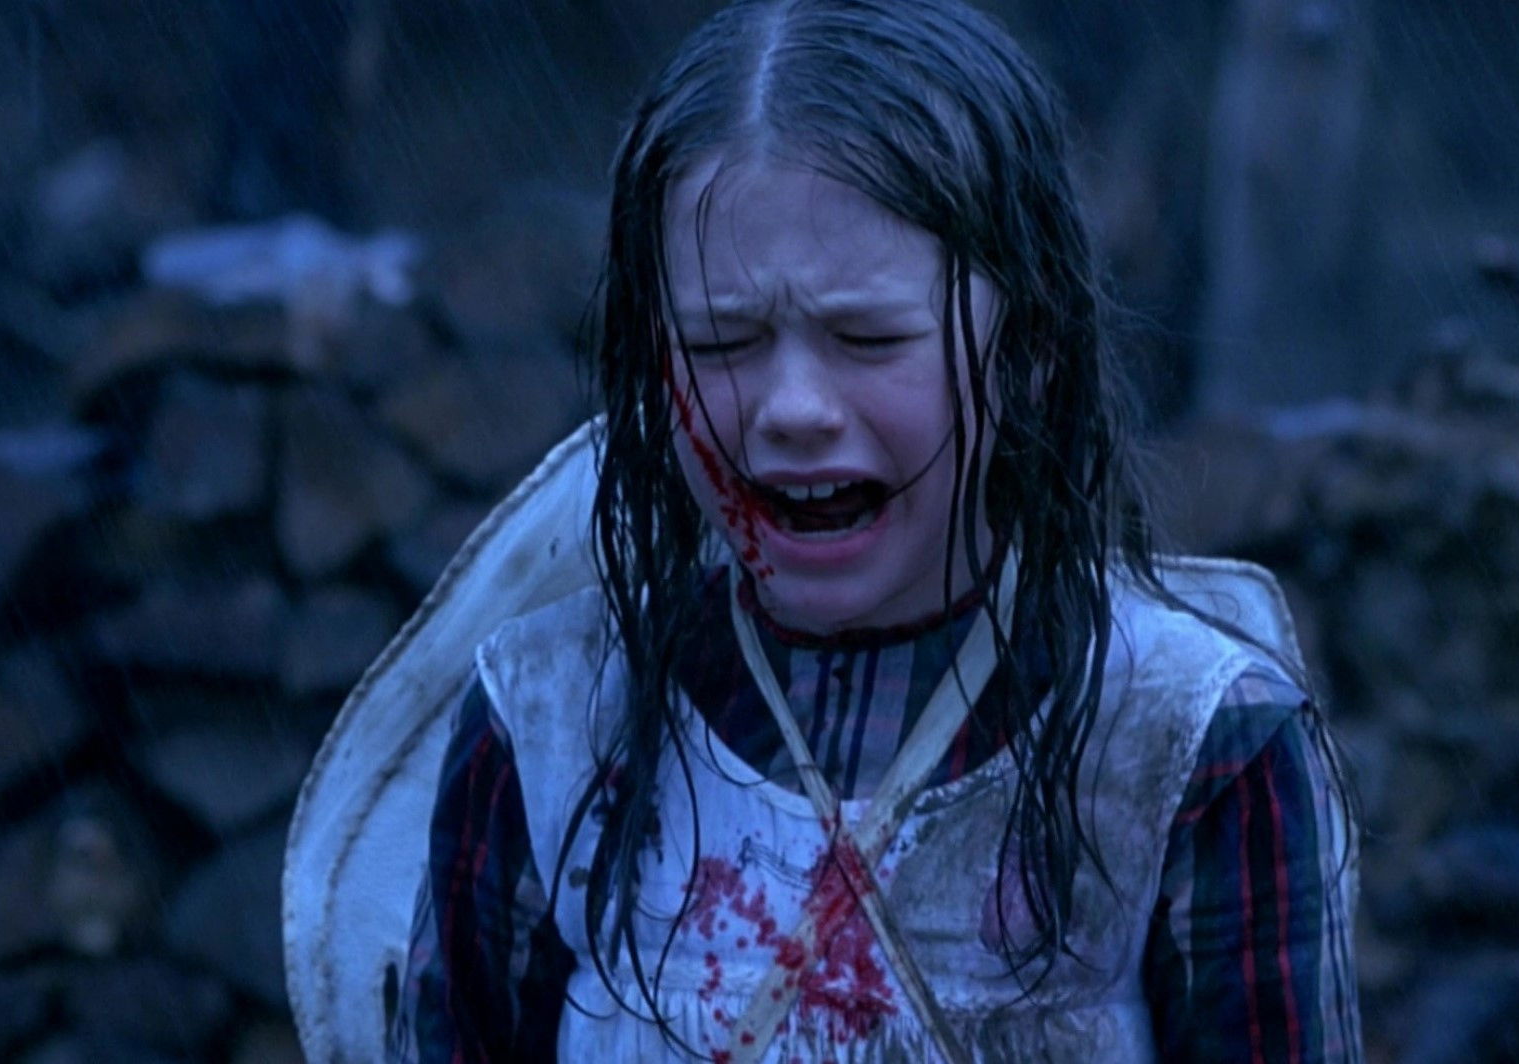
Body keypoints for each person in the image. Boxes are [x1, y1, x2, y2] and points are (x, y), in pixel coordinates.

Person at [386, 0, 1360, 1059]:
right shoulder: (550, 725)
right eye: (719, 342)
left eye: (867, 337)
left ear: (1028, 347)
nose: (791, 408)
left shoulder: (1189, 744)